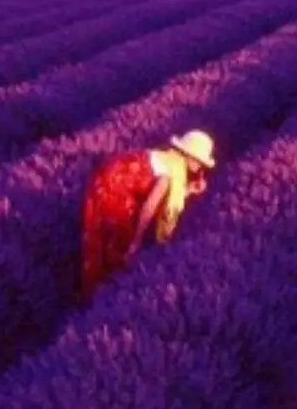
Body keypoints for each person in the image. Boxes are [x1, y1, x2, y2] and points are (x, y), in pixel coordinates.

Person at [79, 129, 217, 301]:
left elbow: (166, 195)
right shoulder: (169, 174)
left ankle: (95, 294)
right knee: (119, 246)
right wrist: (136, 240)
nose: (200, 166)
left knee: (100, 242)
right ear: (189, 156)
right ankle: (104, 297)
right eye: (199, 161)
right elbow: (150, 207)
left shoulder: (169, 159)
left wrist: (188, 191)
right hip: (112, 190)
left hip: (105, 181)